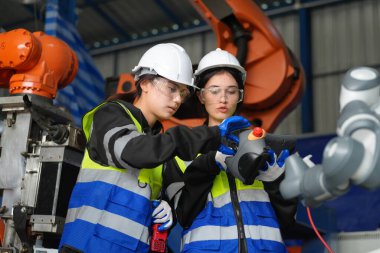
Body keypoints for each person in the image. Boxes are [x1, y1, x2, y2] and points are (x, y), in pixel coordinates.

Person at [58, 44, 250, 253]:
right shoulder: (110, 116)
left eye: (183, 92)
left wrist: (172, 210)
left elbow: (183, 206)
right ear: (146, 83)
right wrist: (213, 134)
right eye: (171, 89)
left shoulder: (161, 149)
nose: (178, 99)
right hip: (87, 246)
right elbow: (134, 152)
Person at [164, 48, 298, 253]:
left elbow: (288, 220)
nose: (223, 99)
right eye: (214, 90)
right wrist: (209, 163)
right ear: (200, 96)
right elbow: (184, 214)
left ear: (240, 96)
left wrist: (275, 183)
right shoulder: (184, 150)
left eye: (231, 91)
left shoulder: (264, 147)